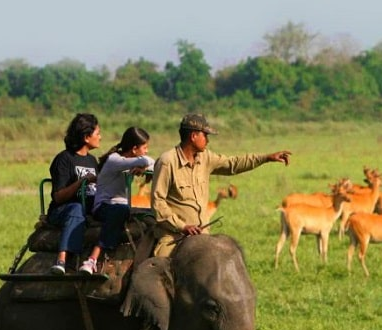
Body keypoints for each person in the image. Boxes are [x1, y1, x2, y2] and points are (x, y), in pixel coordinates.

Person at [151, 112, 292, 256]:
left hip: (202, 236)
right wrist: (183, 226)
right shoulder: (167, 162)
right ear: (193, 136)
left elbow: (233, 164)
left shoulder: (205, 157)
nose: (207, 140)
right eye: (205, 136)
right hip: (175, 236)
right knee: (161, 269)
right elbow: (158, 203)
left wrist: (266, 158)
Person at [79, 126, 155, 274]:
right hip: (105, 206)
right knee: (121, 210)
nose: (146, 151)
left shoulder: (131, 161)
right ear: (134, 149)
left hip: (122, 206)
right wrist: (143, 164)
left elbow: (154, 163)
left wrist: (143, 168)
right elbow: (148, 159)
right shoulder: (115, 160)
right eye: (144, 147)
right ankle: (93, 259)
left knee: (150, 214)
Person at [46, 113, 102, 275]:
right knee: (76, 208)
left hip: (88, 208)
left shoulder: (92, 161)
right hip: (63, 210)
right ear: (86, 137)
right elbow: (58, 196)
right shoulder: (64, 159)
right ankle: (62, 260)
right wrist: (81, 182)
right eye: (97, 133)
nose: (100, 137)